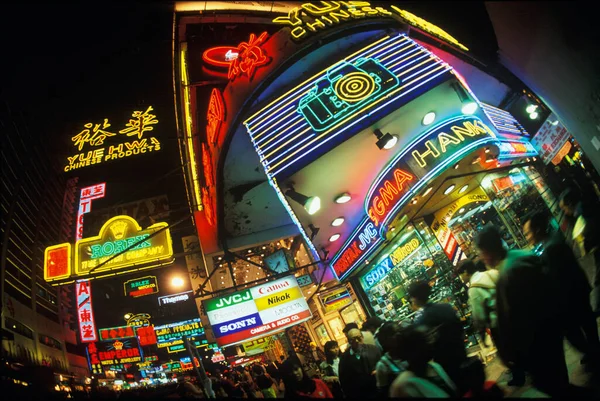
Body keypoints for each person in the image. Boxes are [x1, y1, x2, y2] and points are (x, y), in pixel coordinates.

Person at [476, 224, 569, 396]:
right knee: (559, 380)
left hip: (537, 342)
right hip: (552, 329)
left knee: (554, 387)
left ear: (488, 251)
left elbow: (513, 318)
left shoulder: (507, 274)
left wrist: (512, 353)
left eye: (481, 253)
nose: (481, 258)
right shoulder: (522, 255)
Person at [524, 211, 600, 369]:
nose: (527, 237)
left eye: (528, 233)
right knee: (586, 325)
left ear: (537, 230)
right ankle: (593, 352)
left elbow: (558, 278)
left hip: (571, 296)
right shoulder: (552, 242)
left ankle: (593, 354)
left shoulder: (552, 248)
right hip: (577, 291)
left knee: (575, 331)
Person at [406, 280, 467, 394]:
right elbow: (460, 328)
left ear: (415, 298)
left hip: (444, 361)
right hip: (460, 351)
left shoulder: (421, 320)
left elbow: (425, 347)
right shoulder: (446, 307)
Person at [559, 187, 600, 317]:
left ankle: (596, 308)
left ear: (570, 204)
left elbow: (593, 229)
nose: (565, 212)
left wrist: (586, 242)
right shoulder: (587, 207)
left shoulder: (585, 211)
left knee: (598, 279)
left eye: (564, 208)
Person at [389, 324, 458, 398]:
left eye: (432, 336)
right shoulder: (403, 384)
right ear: (414, 348)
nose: (433, 342)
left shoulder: (436, 367)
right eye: (427, 339)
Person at [455, 258, 499, 346]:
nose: (460, 277)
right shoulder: (491, 273)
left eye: (460, 274)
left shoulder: (473, 289)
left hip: (499, 325)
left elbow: (479, 316)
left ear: (466, 272)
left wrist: (482, 335)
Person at [338, 328, 382, 399]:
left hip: (377, 390)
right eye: (353, 340)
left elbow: (382, 366)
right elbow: (344, 381)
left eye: (359, 338)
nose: (357, 341)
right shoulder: (344, 358)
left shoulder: (373, 349)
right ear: (349, 341)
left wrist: (378, 371)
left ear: (362, 337)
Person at [374, 321, 406, 396]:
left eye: (400, 331)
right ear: (385, 340)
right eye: (393, 334)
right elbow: (384, 392)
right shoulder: (382, 365)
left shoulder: (411, 352)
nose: (398, 335)